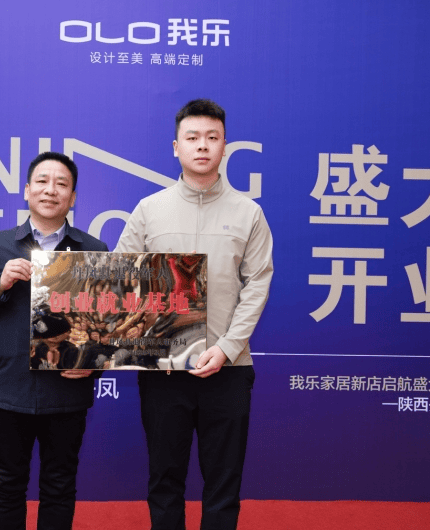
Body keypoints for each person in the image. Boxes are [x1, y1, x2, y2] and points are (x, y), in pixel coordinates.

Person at [115, 99, 274, 530]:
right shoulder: (149, 210)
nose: (202, 146)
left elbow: (257, 285)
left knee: (224, 484)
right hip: (163, 369)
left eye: (212, 137)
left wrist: (227, 348)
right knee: (164, 480)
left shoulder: (249, 213)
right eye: (192, 137)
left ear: (224, 146)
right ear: (176, 147)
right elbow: (118, 279)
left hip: (229, 368)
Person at [0, 151, 108, 530]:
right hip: (9, 390)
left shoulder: (94, 251)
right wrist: (0, 282)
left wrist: (93, 364)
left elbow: (106, 326)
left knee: (59, 486)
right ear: (27, 190)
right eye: (42, 181)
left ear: (73, 197)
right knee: (7, 485)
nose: (50, 190)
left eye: (61, 184)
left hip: (66, 393)